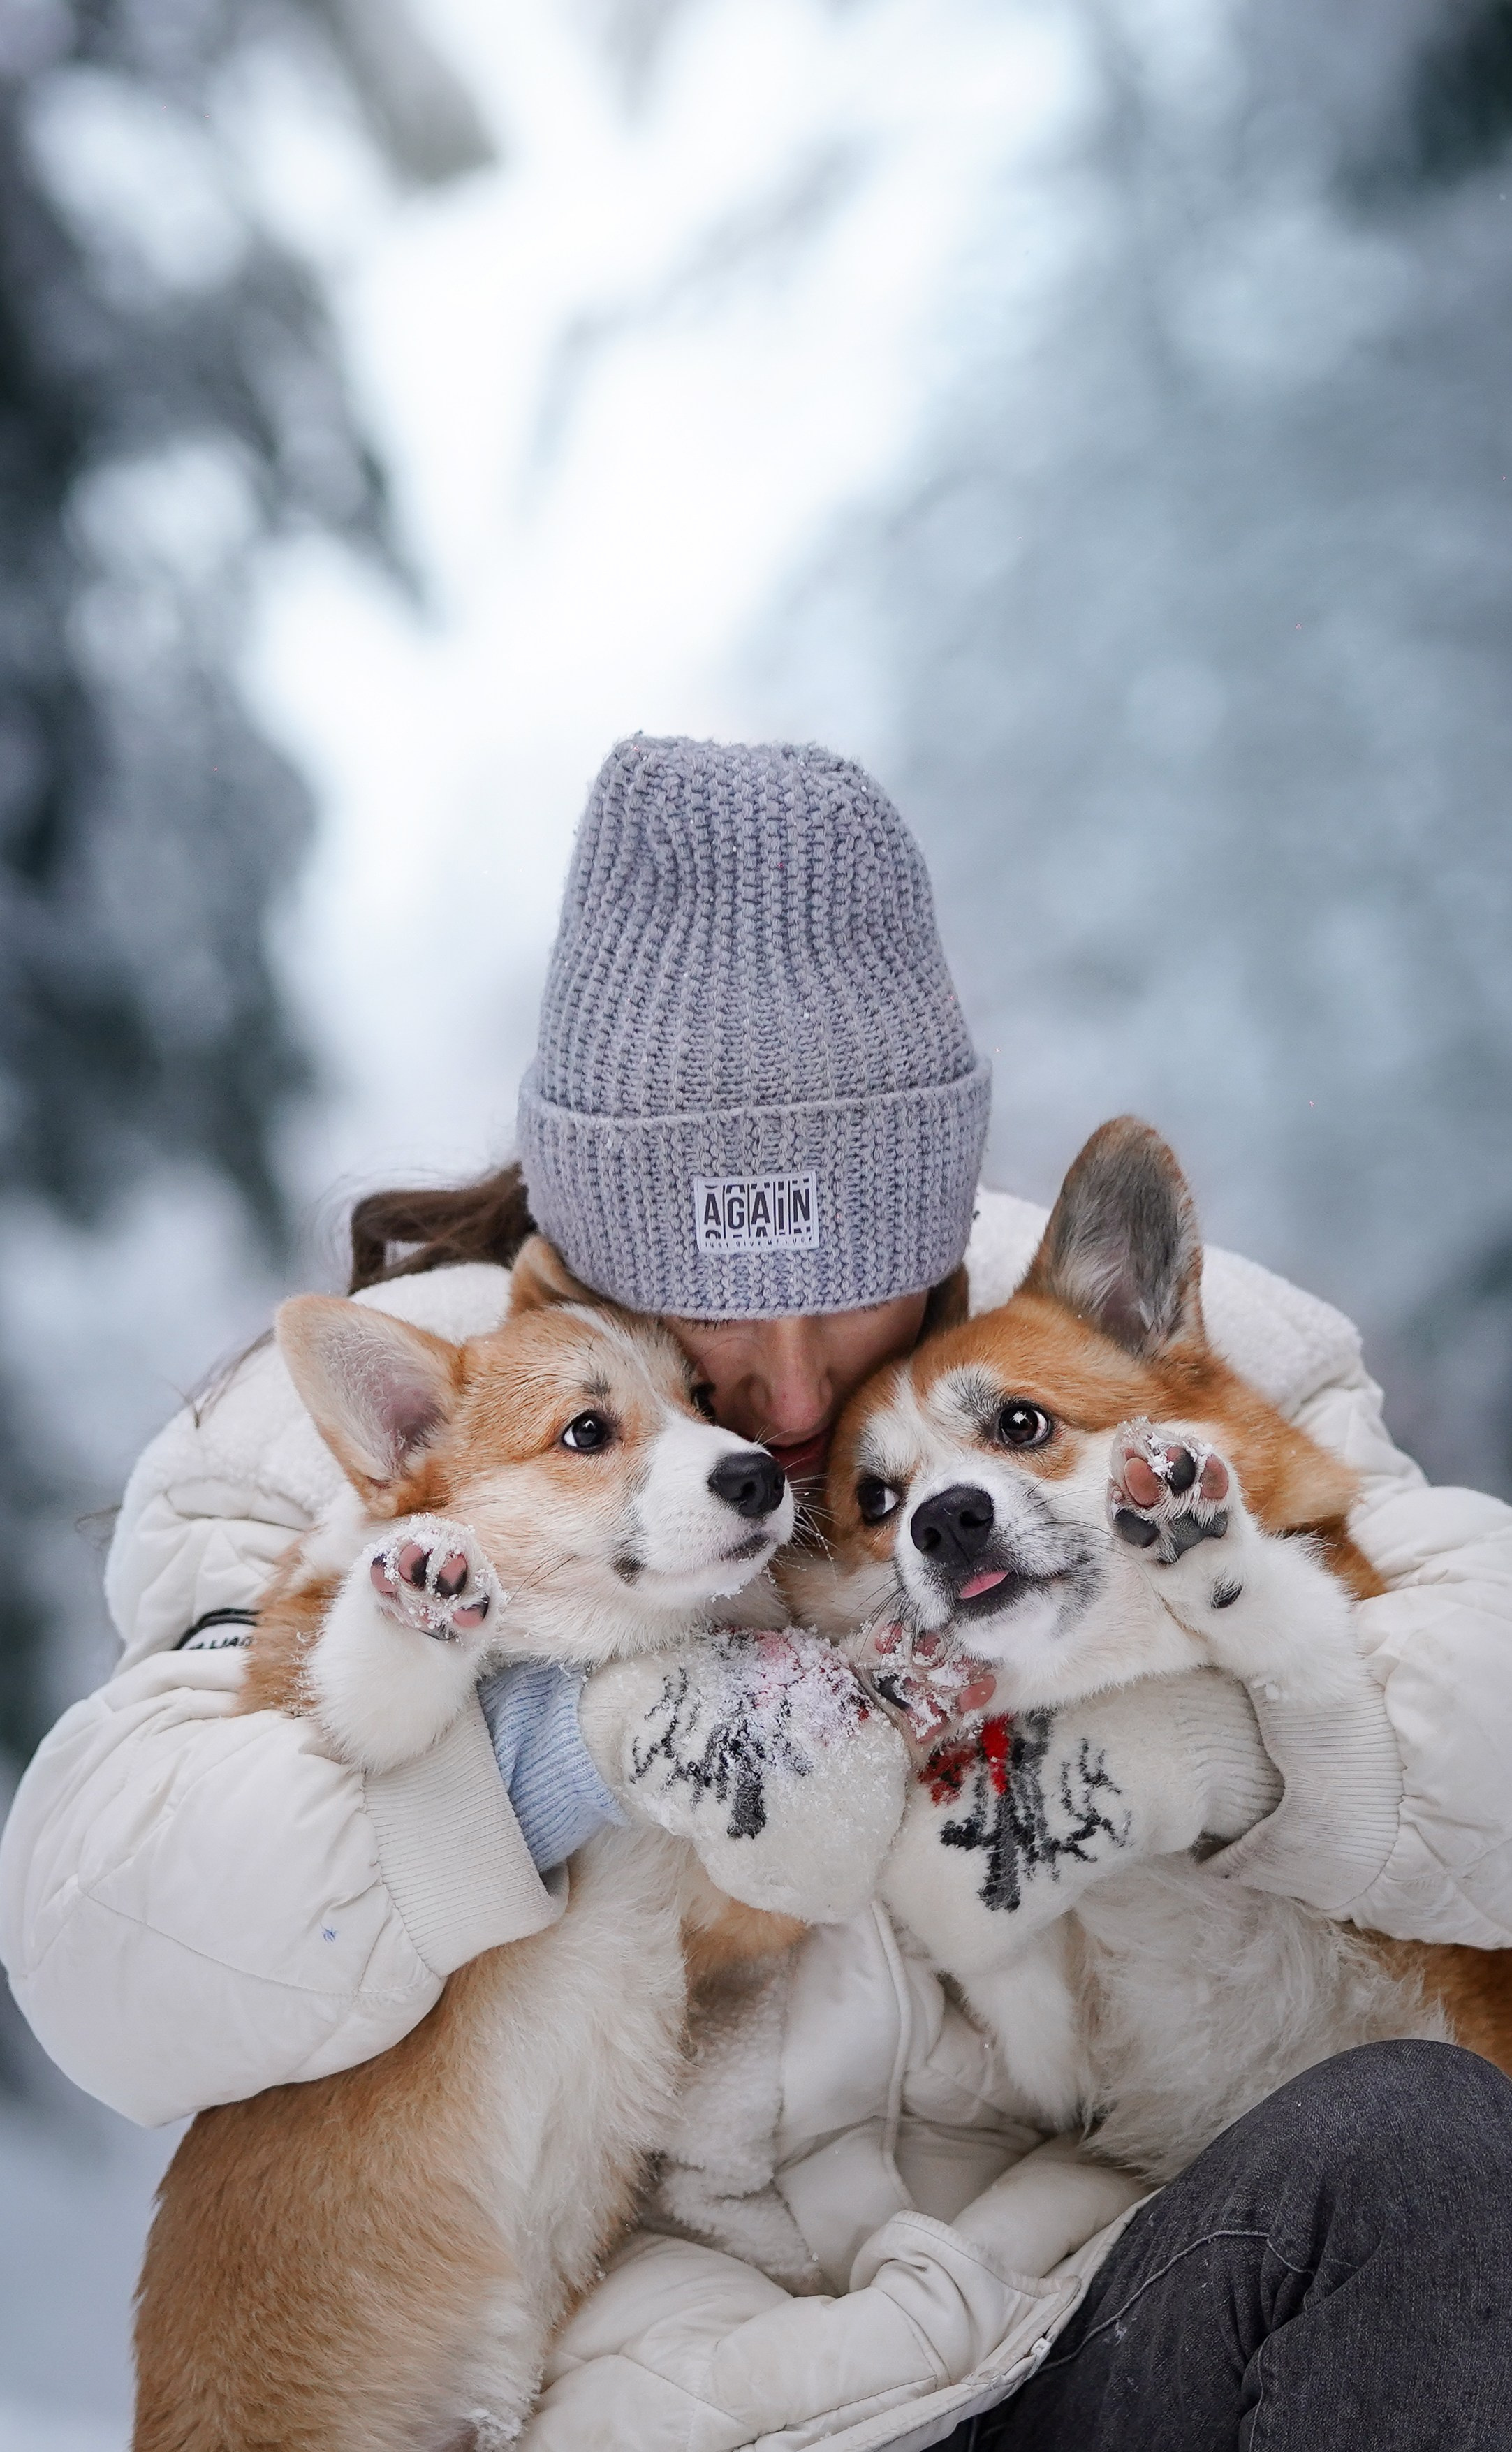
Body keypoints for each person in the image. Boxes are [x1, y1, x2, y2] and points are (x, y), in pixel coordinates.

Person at [3, 734, 1512, 2449]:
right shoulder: (394, 1423)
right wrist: (548, 1749)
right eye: (716, 1318)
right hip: (650, 2399)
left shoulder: (1101, 1333)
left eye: (855, 1294)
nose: (790, 1403)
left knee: (1427, 2153)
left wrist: (1227, 1733)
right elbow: (101, 1933)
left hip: (1089, 2326)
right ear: (593, 1228)